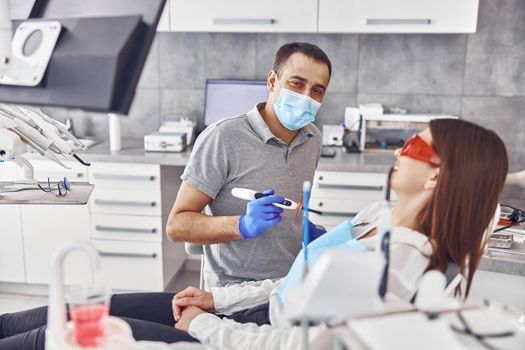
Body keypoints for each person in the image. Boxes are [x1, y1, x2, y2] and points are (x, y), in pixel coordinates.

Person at [0, 118, 509, 349]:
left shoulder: (399, 264)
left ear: (439, 176)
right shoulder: (381, 216)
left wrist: (203, 325)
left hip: (249, 336)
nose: (398, 152)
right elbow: (294, 283)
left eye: (414, 148)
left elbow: (298, 341)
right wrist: (215, 298)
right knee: (81, 308)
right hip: (243, 312)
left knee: (60, 337)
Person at [165, 42, 331, 288]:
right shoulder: (222, 137)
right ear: (273, 81)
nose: (306, 97)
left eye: (317, 90)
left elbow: (294, 207)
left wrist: (303, 230)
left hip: (288, 284)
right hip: (231, 290)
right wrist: (241, 225)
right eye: (297, 83)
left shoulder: (312, 138)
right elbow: (177, 226)